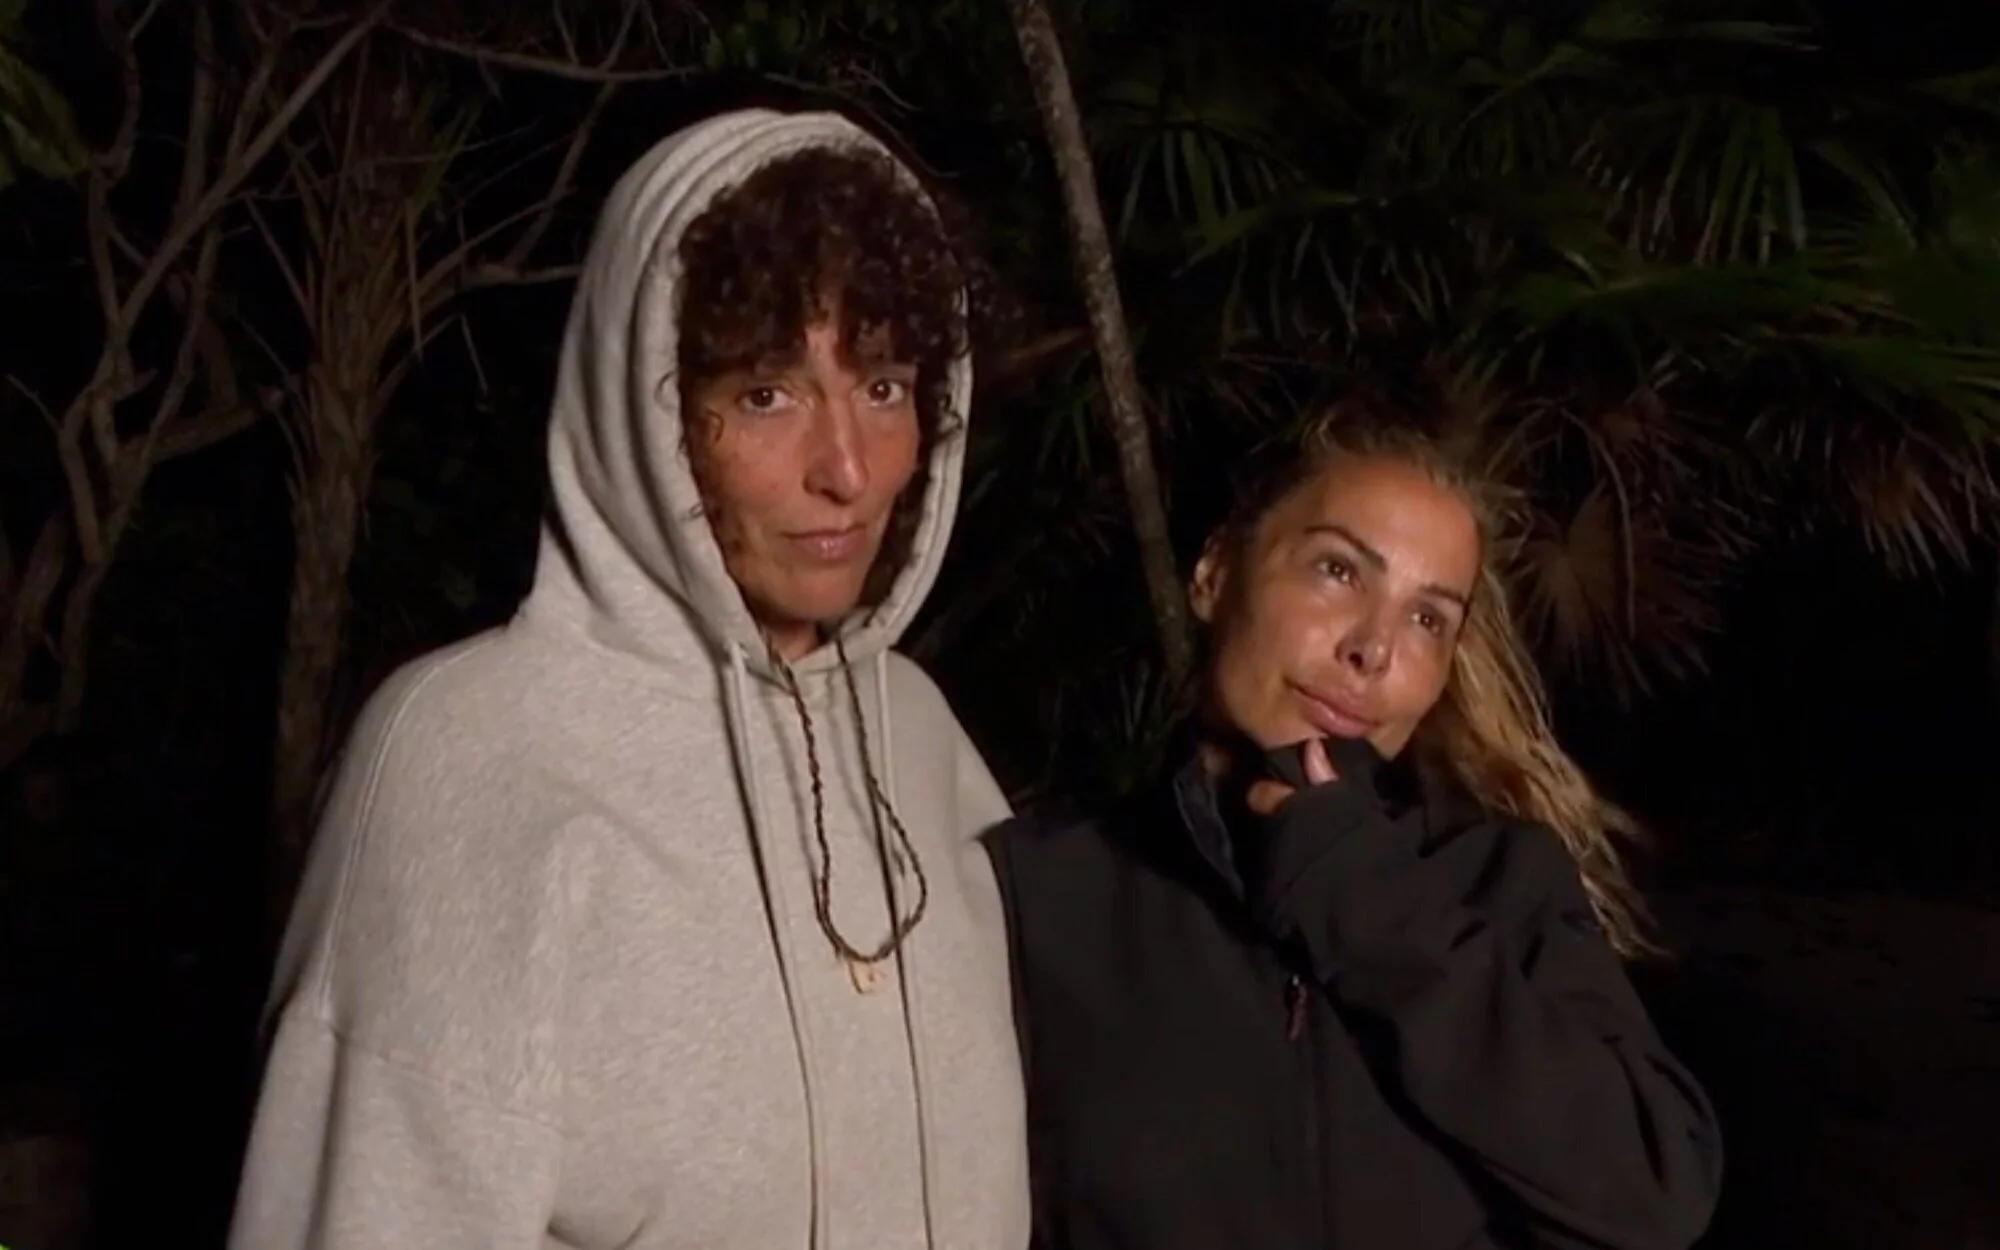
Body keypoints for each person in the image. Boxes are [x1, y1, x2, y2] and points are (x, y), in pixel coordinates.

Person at [228, 108, 1028, 1249]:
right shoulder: (471, 753)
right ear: (643, 407)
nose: (848, 468)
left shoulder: (918, 734)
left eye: (886, 385)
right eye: (767, 393)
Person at [987, 407, 1724, 1249]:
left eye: (1427, 619)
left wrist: (1362, 897)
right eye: (1337, 571)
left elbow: (1656, 1191)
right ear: (1216, 572)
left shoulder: (1496, 879)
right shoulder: (1047, 891)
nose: (1374, 648)